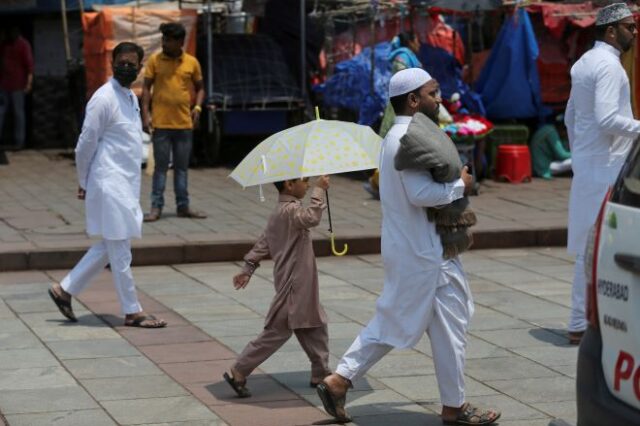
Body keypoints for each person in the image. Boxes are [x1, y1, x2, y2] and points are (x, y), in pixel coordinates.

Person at [316, 68, 500, 425]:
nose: (439, 98)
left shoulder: (397, 136)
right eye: (433, 93)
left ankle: (340, 380)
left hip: (412, 249)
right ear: (413, 100)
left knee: (397, 322)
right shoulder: (407, 139)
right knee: (446, 326)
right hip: (426, 254)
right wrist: (460, 185)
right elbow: (421, 195)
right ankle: (454, 408)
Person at [47, 42, 167, 329]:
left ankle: (64, 290)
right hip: (108, 181)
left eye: (132, 63)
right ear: (112, 64)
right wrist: (83, 180)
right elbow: (84, 145)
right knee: (120, 247)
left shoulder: (130, 97)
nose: (127, 67)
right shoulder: (103, 98)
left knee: (110, 245)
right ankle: (132, 311)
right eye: (121, 62)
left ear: (140, 67)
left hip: (125, 183)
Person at [564, 2, 640, 345]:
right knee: (604, 245)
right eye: (629, 26)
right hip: (608, 168)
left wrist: (580, 153)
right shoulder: (609, 67)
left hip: (589, 165)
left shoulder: (583, 63)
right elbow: (608, 119)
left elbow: (570, 118)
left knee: (587, 246)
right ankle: (585, 322)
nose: (634, 32)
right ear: (611, 31)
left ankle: (580, 322)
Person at [224, 176, 332, 398]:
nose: (307, 184)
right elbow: (311, 218)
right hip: (294, 283)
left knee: (314, 324)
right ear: (289, 185)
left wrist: (248, 267)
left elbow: (265, 240)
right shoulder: (289, 211)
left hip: (301, 282)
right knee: (278, 329)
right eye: (304, 181)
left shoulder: (281, 211)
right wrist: (319, 191)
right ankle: (239, 370)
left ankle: (320, 372)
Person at [142, 22, 206, 222]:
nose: (164, 43)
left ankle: (183, 206)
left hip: (184, 125)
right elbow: (145, 89)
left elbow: (201, 88)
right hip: (161, 124)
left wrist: (198, 107)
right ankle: (156, 207)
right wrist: (145, 114)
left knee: (181, 169)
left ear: (179, 42)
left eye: (168, 40)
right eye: (163, 39)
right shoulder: (154, 60)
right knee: (160, 168)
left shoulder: (191, 62)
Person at [364, 31, 422, 200]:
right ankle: (382, 184)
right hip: (402, 106)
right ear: (410, 42)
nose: (419, 43)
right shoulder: (402, 58)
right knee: (394, 145)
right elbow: (404, 83)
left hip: (408, 104)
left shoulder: (409, 57)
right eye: (417, 39)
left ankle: (386, 184)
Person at [0, 25, 33, 149]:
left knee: (18, 114)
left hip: (18, 85)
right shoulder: (5, 45)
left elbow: (29, 66)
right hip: (4, 84)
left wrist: (29, 83)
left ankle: (19, 142)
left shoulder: (23, 45)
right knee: (1, 113)